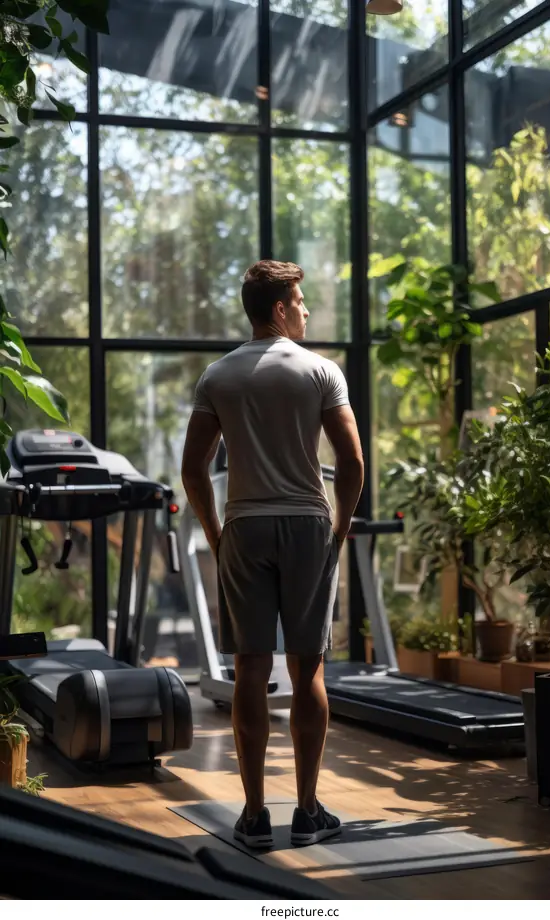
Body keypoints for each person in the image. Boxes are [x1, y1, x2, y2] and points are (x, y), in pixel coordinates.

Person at [181, 260, 364, 848]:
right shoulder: (321, 372)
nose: (306, 310)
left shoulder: (218, 376)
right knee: (308, 668)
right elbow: (352, 462)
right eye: (301, 301)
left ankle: (255, 815)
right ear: (280, 309)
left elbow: (193, 469)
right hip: (307, 525)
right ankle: (307, 810)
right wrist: (340, 526)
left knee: (250, 670)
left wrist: (215, 533)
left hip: (245, 528)